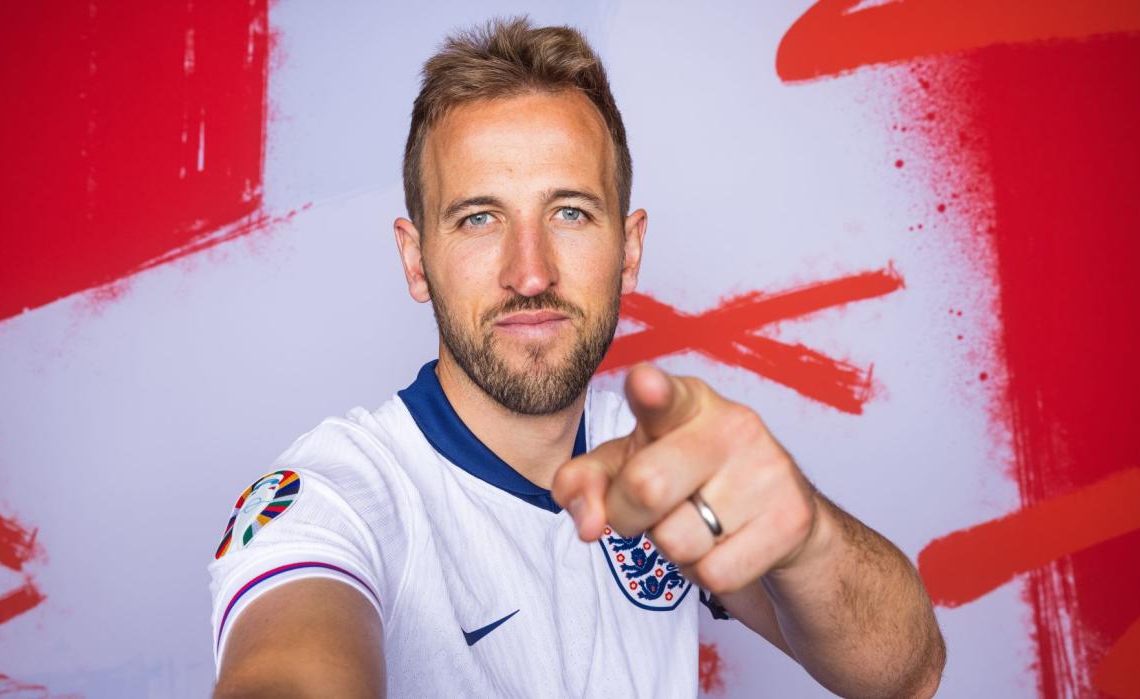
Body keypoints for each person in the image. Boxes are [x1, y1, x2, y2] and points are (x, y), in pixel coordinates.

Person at [209, 16, 944, 698]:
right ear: (415, 258)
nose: (529, 272)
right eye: (478, 218)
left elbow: (906, 674)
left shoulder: (665, 458)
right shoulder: (333, 496)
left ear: (628, 250)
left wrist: (807, 531)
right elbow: (287, 666)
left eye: (569, 212)